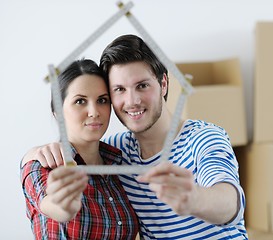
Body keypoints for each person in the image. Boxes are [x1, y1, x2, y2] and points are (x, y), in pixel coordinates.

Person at [22, 35, 248, 239]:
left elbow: (229, 201)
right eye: (119, 89)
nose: (132, 101)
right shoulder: (117, 153)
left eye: (142, 86)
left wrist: (196, 199)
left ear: (164, 84)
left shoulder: (203, 138)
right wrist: (32, 155)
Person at [20, 59, 139, 239]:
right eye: (80, 101)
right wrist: (63, 206)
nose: (94, 112)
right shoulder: (43, 164)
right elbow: (53, 206)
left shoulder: (119, 162)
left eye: (102, 100)